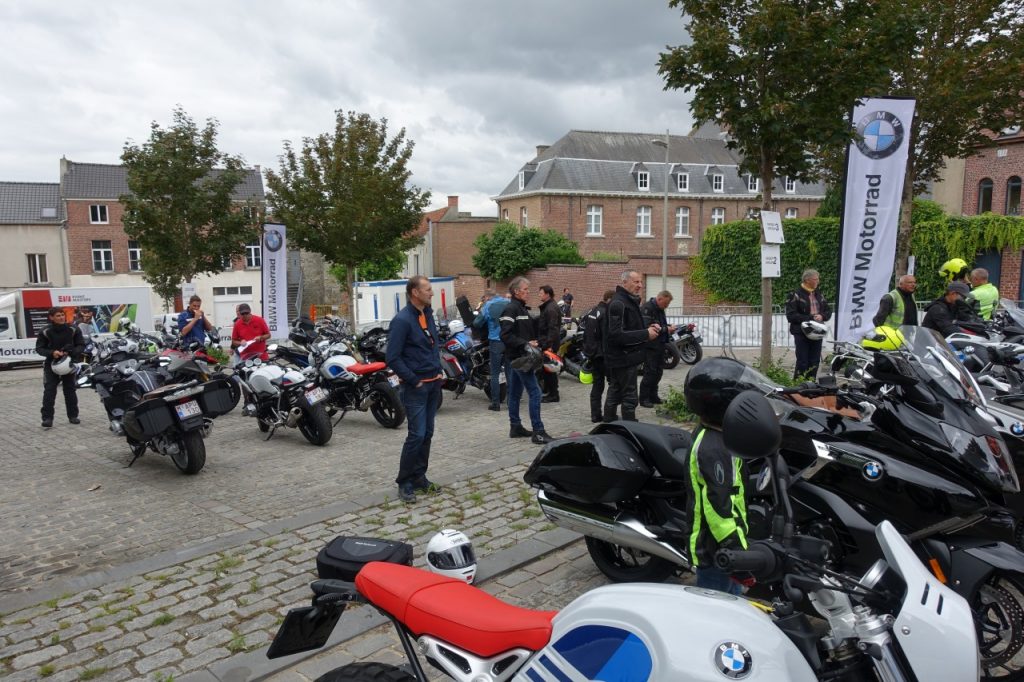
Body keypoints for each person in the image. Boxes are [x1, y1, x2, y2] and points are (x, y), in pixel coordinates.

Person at [683, 357, 752, 594]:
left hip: (724, 545)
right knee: (718, 607)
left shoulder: (721, 435)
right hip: (716, 551)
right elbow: (717, 506)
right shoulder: (714, 449)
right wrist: (736, 551)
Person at [386, 276, 445, 503]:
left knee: (427, 434)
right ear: (415, 293)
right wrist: (414, 380)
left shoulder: (427, 314)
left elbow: (432, 346)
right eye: (428, 290)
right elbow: (393, 357)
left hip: (433, 384)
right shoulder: (402, 320)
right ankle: (405, 482)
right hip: (416, 388)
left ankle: (420, 476)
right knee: (416, 435)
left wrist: (438, 370)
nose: (432, 293)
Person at [500, 276, 553, 444]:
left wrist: (535, 342)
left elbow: (524, 332)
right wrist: (525, 344)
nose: (528, 292)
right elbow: (505, 335)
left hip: (519, 357)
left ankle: (515, 427)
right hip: (519, 359)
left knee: (515, 393)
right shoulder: (511, 309)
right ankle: (538, 431)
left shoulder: (522, 309)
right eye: (525, 290)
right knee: (535, 392)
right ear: (516, 291)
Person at [603, 271, 660, 422]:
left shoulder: (628, 301)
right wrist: (645, 334)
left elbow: (630, 326)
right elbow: (616, 335)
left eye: (640, 282)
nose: (640, 286)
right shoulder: (619, 303)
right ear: (625, 282)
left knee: (615, 390)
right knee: (629, 395)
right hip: (623, 358)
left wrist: (648, 327)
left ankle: (609, 420)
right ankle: (629, 426)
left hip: (625, 357)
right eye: (636, 282)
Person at [35, 307, 85, 428]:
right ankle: (47, 418)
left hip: (68, 364)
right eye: (58, 315)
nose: (61, 317)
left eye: (62, 315)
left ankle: (73, 416)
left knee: (70, 391)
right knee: (49, 391)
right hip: (51, 364)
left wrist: (72, 352)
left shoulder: (73, 329)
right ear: (51, 317)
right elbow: (39, 349)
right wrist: (52, 353)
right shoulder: (45, 331)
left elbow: (81, 345)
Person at [785, 269, 832, 380]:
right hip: (801, 333)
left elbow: (828, 311)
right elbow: (791, 316)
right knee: (802, 361)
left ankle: (811, 383)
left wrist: (822, 316)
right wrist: (810, 318)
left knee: (815, 361)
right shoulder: (795, 294)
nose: (818, 281)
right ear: (807, 280)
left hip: (817, 332)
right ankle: (798, 385)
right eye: (815, 279)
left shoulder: (819, 294)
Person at [639, 290, 675, 408]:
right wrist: (666, 329)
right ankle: (644, 398)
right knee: (650, 372)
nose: (666, 306)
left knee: (658, 372)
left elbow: (660, 324)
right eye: (665, 304)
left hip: (660, 345)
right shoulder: (647, 308)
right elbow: (647, 327)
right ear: (660, 299)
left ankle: (653, 396)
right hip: (650, 346)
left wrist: (668, 327)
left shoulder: (660, 309)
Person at [582, 290, 613, 423]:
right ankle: (609, 414)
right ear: (609, 299)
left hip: (593, 355)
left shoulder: (592, 311)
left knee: (597, 386)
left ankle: (595, 415)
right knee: (614, 384)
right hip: (604, 355)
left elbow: (585, 333)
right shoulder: (606, 313)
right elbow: (608, 336)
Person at [480, 289, 509, 411]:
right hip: (509, 341)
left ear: (487, 297)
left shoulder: (488, 305)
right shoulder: (508, 302)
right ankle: (512, 401)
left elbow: (478, 322)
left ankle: (496, 403)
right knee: (510, 372)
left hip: (495, 341)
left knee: (495, 373)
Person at [537, 285, 561, 403]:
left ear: (547, 294)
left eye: (541, 293)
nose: (539, 295)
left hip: (549, 344)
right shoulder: (548, 306)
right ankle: (549, 390)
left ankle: (553, 394)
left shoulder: (551, 308)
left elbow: (553, 328)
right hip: (546, 342)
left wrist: (549, 345)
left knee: (549, 369)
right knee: (546, 368)